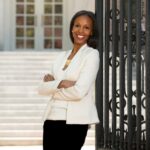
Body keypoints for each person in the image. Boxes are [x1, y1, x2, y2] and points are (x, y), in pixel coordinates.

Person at [38, 10, 100, 150]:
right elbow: (41, 88)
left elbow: (79, 92)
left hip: (75, 122)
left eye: (86, 27)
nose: (81, 31)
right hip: (51, 119)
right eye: (77, 25)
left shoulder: (91, 55)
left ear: (91, 32)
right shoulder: (61, 56)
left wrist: (53, 86)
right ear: (72, 28)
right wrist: (61, 84)